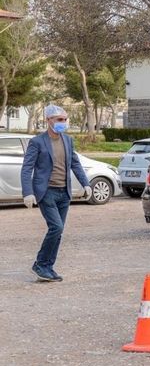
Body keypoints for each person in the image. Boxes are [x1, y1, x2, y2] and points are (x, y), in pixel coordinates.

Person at [21, 105, 91, 282]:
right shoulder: (37, 142)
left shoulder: (67, 140)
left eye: (65, 119)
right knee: (56, 227)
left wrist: (86, 184)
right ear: (49, 120)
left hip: (64, 193)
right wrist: (28, 192)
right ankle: (40, 264)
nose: (63, 123)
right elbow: (26, 168)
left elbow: (75, 164)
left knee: (58, 232)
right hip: (46, 192)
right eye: (59, 119)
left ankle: (47, 267)